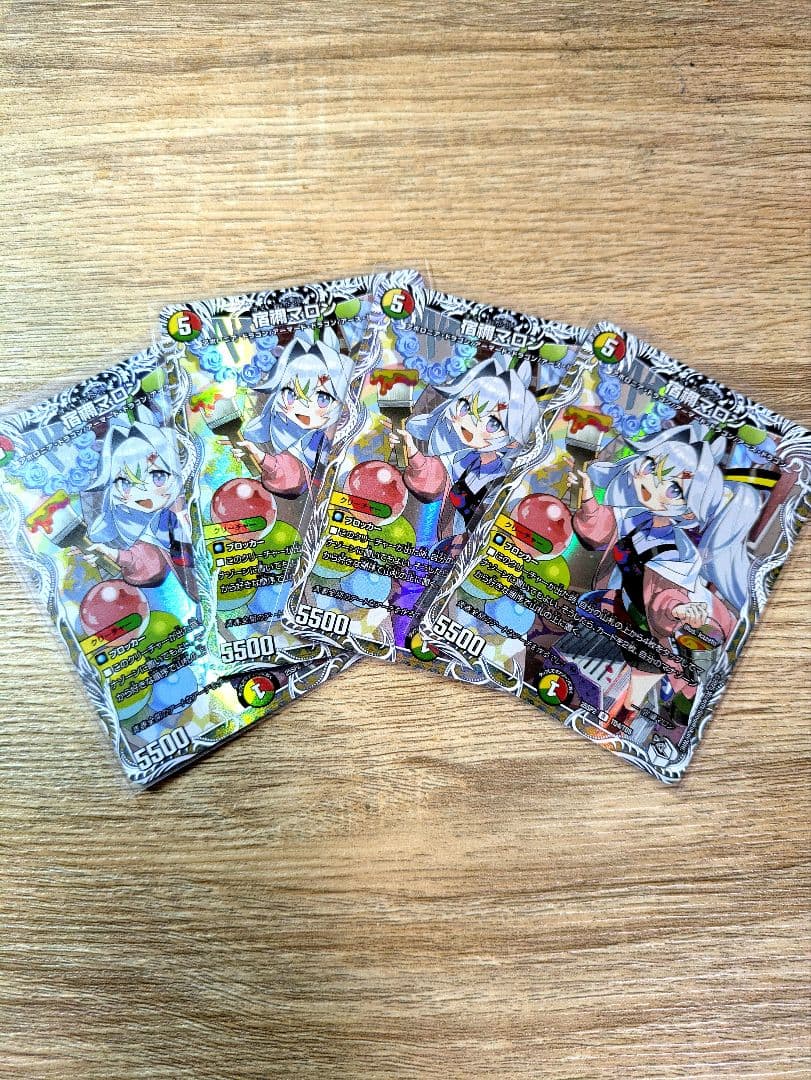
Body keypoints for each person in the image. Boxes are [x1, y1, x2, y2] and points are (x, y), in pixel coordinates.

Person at [569, 422, 760, 725]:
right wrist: (589, 497)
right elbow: (601, 530)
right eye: (650, 466)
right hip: (619, 608)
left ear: (689, 511)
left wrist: (679, 609)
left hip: (650, 634)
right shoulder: (634, 516)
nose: (652, 484)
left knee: (630, 694)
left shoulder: (676, 552)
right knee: (592, 665)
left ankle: (616, 725)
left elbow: (667, 595)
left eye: (673, 489)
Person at [83, 406, 196, 596]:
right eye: (126, 484)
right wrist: (109, 553)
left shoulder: (176, 507)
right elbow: (143, 560)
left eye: (158, 477)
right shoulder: (149, 523)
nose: (143, 491)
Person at [240, 327, 352, 497]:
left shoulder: (327, 433)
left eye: (322, 399)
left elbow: (291, 474)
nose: (303, 408)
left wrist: (260, 456)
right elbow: (289, 473)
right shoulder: (279, 421)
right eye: (291, 395)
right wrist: (257, 455)